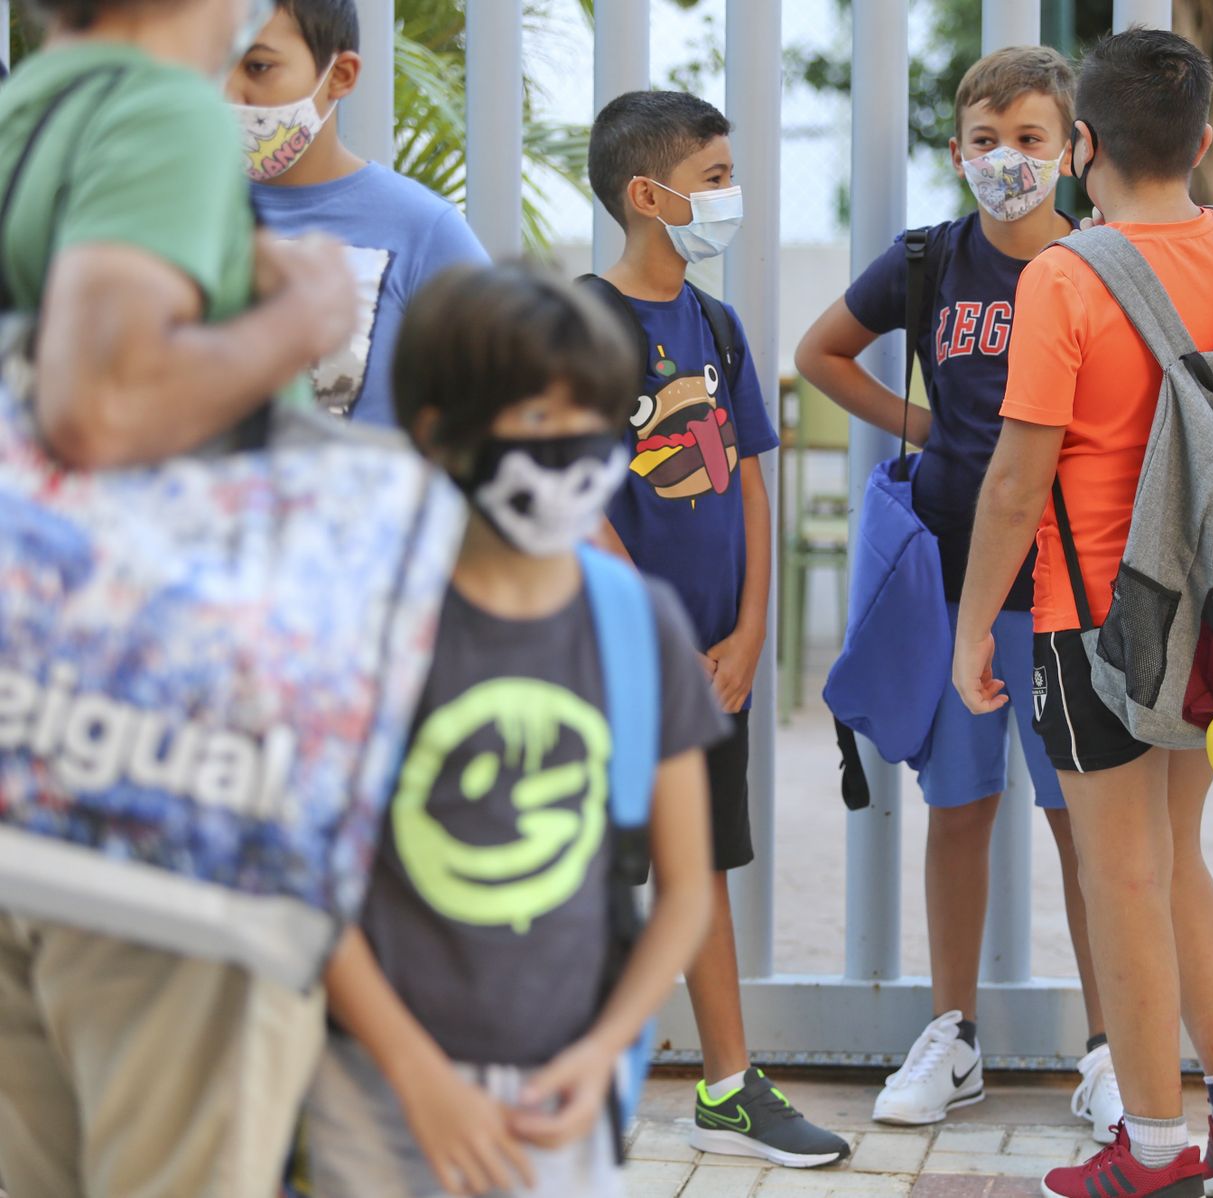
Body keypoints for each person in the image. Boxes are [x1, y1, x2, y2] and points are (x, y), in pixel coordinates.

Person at [0, 0, 356, 1194]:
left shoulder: (24, 117)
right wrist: (302, 318)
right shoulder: (162, 113)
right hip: (152, 778)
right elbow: (102, 399)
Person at [954, 30, 1213, 1198]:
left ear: (1082, 145)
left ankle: (1154, 1149)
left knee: (1124, 883)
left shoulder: (1064, 275)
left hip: (1095, 622)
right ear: (1202, 140)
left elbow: (1015, 480)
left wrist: (969, 633)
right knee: (1179, 857)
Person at [304, 262, 719, 1198]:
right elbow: (307, 879)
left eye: (594, 417)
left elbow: (687, 889)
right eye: (535, 421)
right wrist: (415, 1072)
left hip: (565, 1085)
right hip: (374, 1083)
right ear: (437, 432)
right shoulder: (365, 621)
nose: (571, 448)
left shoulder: (633, 621)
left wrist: (607, 1051)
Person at [795, 45, 1122, 1137]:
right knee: (958, 811)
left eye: (1030, 138)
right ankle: (952, 1033)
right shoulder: (930, 263)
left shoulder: (1103, 266)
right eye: (985, 140)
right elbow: (820, 354)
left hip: (1070, 592)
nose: (1006, 160)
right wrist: (922, 425)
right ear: (955, 151)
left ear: (1073, 149)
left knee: (1085, 825)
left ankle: (1113, 1043)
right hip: (951, 587)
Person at [584, 90, 850, 1168]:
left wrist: (750, 635)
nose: (730, 198)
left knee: (707, 865)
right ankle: (571, 1079)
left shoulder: (718, 324)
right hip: (617, 661)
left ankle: (728, 1085)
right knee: (589, 871)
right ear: (647, 197)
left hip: (714, 662)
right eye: (713, 178)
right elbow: (574, 498)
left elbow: (748, 482)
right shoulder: (583, 328)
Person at [226, 0, 488, 425]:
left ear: (340, 76)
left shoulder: (422, 228)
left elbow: (507, 385)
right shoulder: (170, 214)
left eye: (258, 67)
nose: (228, 94)